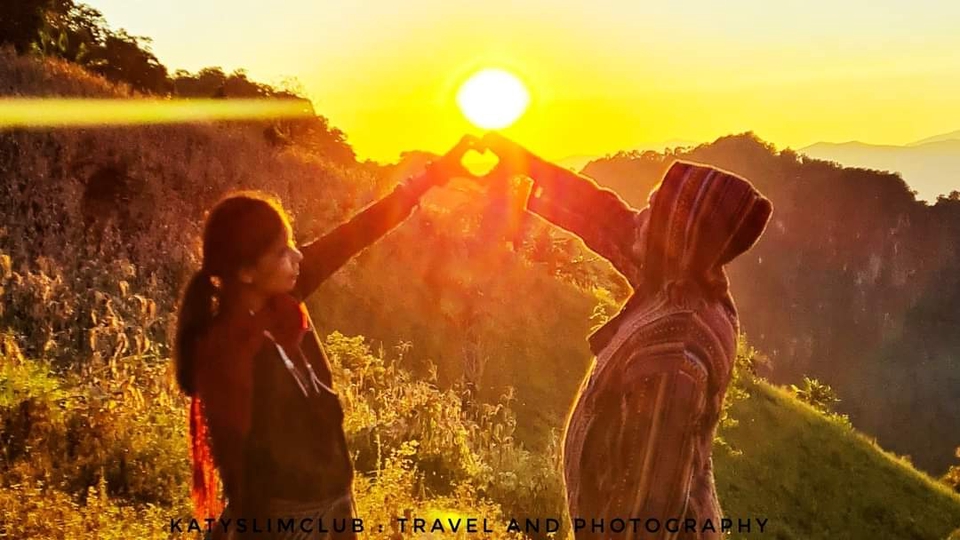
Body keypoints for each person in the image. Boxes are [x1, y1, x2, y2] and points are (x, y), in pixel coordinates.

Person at [173, 135, 479, 539]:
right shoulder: (226, 354)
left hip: (334, 509)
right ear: (246, 272)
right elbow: (238, 475)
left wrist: (434, 176)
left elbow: (357, 233)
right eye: (282, 252)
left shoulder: (283, 304)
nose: (298, 257)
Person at [480, 132, 773, 539]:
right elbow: (608, 219)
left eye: (653, 208)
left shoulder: (673, 355)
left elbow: (650, 513)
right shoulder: (679, 278)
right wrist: (523, 163)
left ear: (676, 233)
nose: (639, 216)